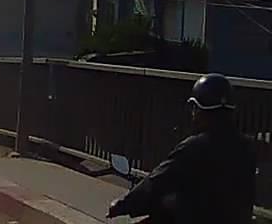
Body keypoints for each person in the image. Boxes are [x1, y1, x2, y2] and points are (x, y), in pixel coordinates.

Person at [107, 73, 257, 224]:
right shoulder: (247, 146)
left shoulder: (195, 146)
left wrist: (122, 205)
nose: (193, 114)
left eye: (194, 108)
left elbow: (158, 181)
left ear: (199, 109)